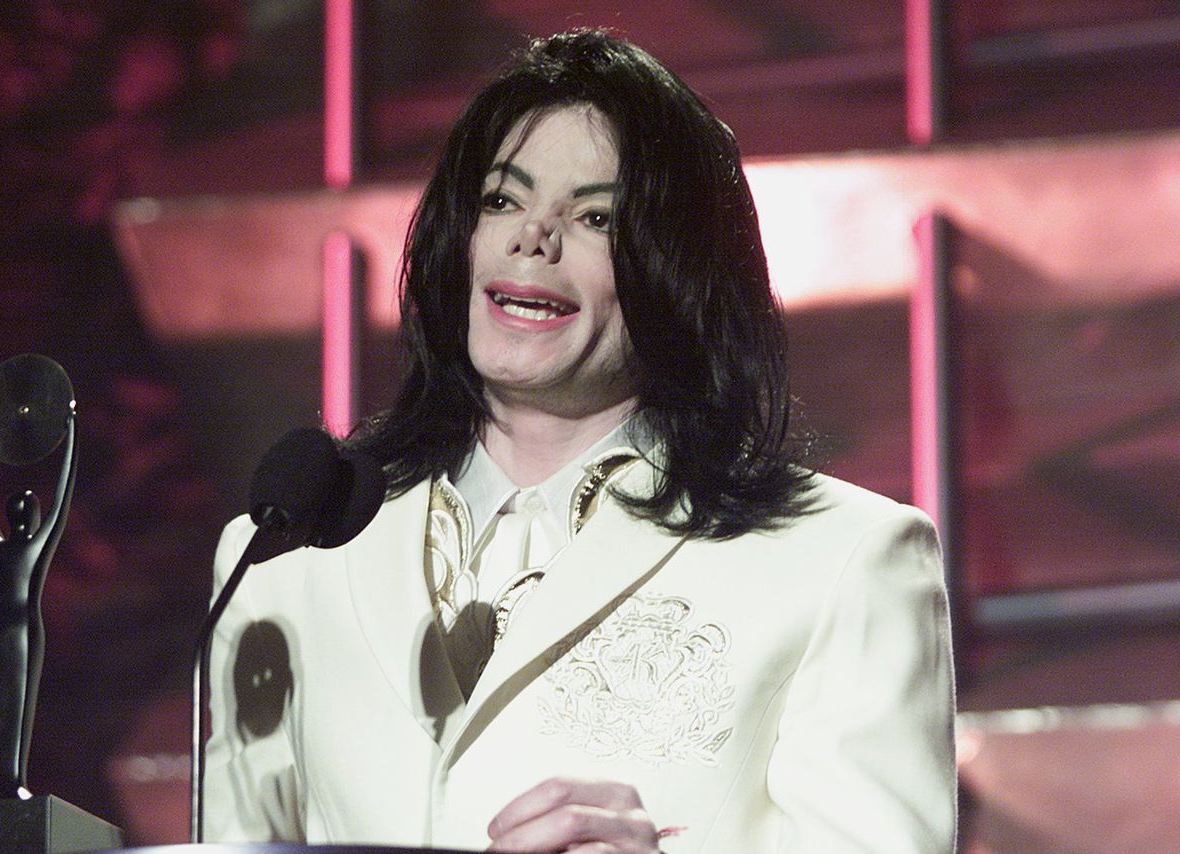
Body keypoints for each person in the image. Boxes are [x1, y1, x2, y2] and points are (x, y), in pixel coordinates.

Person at [205, 28, 956, 853]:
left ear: (679, 274)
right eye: (501, 200)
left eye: (596, 216)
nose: (534, 236)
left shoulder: (844, 559)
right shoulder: (285, 557)